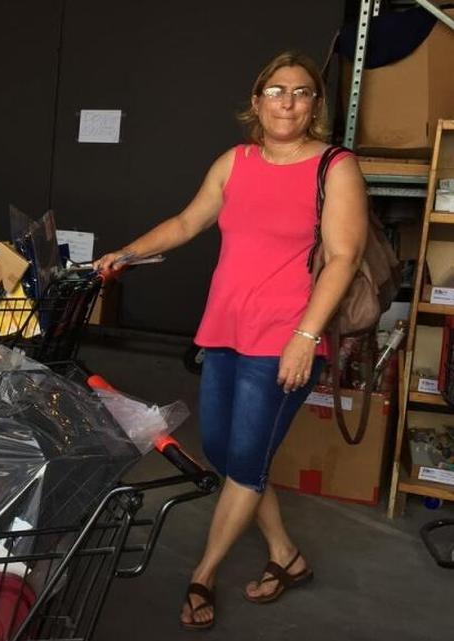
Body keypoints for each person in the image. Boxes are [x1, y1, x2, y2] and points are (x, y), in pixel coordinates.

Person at [94, 52, 368, 630]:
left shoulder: (335, 167)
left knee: (245, 461)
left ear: (316, 105)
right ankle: (287, 556)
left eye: (300, 92)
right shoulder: (235, 161)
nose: (287, 102)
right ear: (257, 101)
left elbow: (344, 258)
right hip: (226, 330)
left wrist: (305, 335)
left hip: (286, 338)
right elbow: (187, 222)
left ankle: (203, 573)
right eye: (275, 91)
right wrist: (128, 252)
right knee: (226, 452)